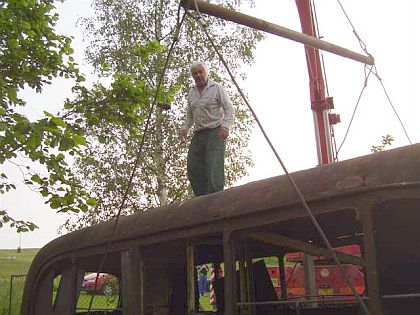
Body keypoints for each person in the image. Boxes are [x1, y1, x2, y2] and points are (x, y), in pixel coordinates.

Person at [180, 61, 234, 196]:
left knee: (213, 167)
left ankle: (216, 198)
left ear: (206, 73)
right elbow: (190, 116)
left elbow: (229, 108)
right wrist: (184, 129)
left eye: (200, 72)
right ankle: (202, 198)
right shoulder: (191, 93)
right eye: (195, 73)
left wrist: (226, 126)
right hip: (199, 134)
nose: (198, 75)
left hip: (215, 132)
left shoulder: (216, 88)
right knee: (193, 166)